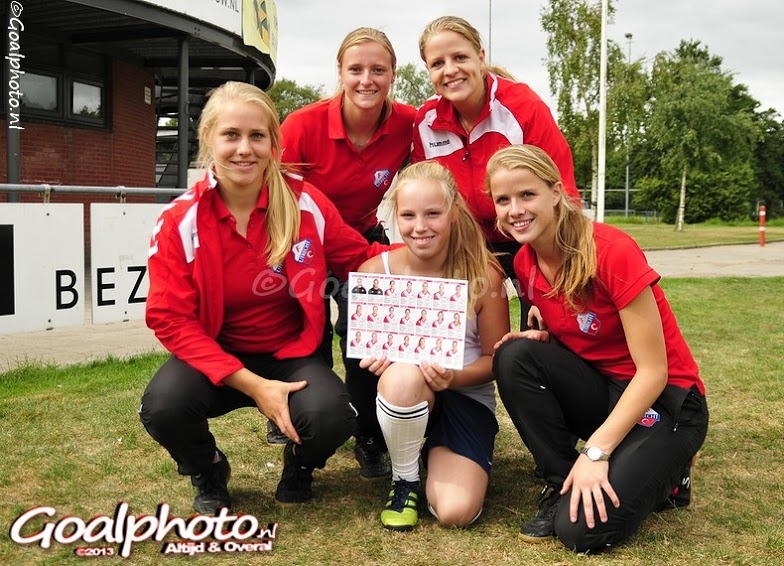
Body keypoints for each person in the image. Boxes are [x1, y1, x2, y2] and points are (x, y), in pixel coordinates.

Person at [138, 81, 387, 514]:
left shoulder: (304, 202)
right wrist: (256, 387)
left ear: (273, 142)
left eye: (257, 135)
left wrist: (433, 257)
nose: (244, 149)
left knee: (333, 416)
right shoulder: (180, 220)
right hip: (215, 357)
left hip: (288, 355)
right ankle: (208, 469)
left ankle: (300, 465)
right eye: (231, 135)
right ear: (208, 138)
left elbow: (360, 258)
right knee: (163, 408)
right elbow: (168, 317)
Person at [486, 145, 709, 552]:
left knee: (580, 532)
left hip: (665, 400)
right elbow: (579, 326)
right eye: (503, 200)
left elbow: (654, 372)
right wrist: (548, 340)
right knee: (515, 355)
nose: (515, 210)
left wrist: (596, 451)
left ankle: (672, 473)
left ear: (556, 192)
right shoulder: (524, 262)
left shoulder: (611, 250)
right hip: (604, 390)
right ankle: (560, 484)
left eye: (527, 194)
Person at [280, 28, 417, 477]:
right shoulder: (302, 125)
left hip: (359, 239)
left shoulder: (408, 123)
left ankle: (368, 435)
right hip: (304, 242)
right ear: (339, 73)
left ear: (393, 74)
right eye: (355, 69)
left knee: (366, 337)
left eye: (378, 69)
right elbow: (274, 197)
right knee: (309, 335)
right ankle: (301, 420)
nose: (366, 79)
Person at [357, 161, 510, 531]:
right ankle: (404, 479)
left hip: (465, 396)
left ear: (453, 213)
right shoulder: (374, 272)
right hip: (405, 393)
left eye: (432, 214)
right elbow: (366, 347)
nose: (420, 227)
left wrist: (452, 378)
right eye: (408, 215)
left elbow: (496, 360)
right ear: (396, 216)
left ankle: (432, 449)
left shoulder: (484, 274)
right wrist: (374, 358)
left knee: (456, 512)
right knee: (402, 377)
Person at [411, 15, 582, 329]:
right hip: (468, 242)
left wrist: (565, 263)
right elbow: (425, 197)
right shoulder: (425, 121)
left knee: (541, 333)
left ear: (480, 57)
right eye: (438, 63)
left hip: (533, 237)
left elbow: (562, 191)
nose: (450, 70)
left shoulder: (524, 106)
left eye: (460, 57)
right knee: (462, 336)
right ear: (428, 70)